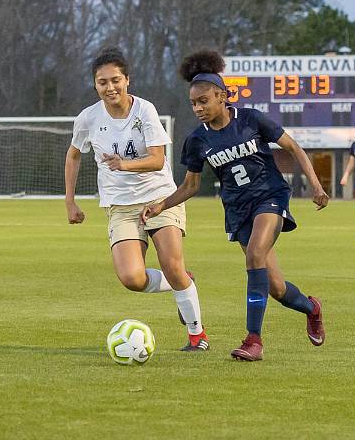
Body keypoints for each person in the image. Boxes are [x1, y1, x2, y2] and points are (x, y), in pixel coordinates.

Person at [142, 50, 327, 361]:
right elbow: (190, 185)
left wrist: (316, 185)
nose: (198, 108)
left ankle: (253, 340)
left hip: (270, 197)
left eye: (204, 101)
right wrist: (161, 205)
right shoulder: (197, 140)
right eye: (193, 103)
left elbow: (292, 146)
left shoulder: (251, 120)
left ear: (222, 96)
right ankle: (312, 308)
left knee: (255, 254)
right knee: (275, 286)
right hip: (238, 211)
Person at [64, 47, 209, 351]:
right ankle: (183, 280)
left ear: (127, 80)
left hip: (160, 199)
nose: (110, 87)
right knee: (131, 278)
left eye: (115, 80)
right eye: (102, 82)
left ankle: (197, 336)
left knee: (171, 264)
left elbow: (157, 160)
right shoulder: (88, 118)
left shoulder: (144, 111)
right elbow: (74, 155)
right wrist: (70, 201)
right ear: (95, 85)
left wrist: (123, 164)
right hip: (120, 206)